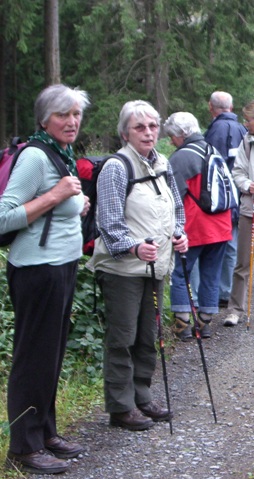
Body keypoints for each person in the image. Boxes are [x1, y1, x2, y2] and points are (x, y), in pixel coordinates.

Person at [0, 84, 90, 475]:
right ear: (44, 119)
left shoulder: (60, 152)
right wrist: (56, 196)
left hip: (61, 265)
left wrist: (76, 203)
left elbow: (59, 204)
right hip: (37, 269)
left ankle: (46, 432)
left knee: (51, 353)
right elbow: (3, 216)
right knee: (33, 356)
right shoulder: (36, 156)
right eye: (62, 115)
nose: (71, 121)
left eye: (76, 114)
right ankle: (24, 446)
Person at [88, 100, 188, 431]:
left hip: (155, 265)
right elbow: (108, 221)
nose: (148, 133)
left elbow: (176, 207)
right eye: (140, 127)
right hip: (122, 270)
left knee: (148, 334)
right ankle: (121, 406)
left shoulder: (162, 163)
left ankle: (142, 396)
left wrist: (179, 234)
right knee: (123, 337)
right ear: (125, 133)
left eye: (153, 126)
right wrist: (133, 247)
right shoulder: (117, 167)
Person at [163, 112, 232, 339]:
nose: (171, 141)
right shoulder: (213, 151)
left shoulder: (181, 157)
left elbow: (171, 196)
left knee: (180, 273)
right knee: (211, 274)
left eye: (172, 136)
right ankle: (204, 322)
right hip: (221, 225)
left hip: (195, 226)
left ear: (182, 134)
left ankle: (182, 324)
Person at [223, 100, 254, 326]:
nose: (245, 124)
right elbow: (238, 171)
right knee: (243, 262)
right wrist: (247, 185)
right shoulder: (246, 140)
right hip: (250, 208)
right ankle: (234, 310)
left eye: (248, 120)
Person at [204, 91, 248, 309]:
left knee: (222, 244)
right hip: (240, 194)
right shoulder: (242, 129)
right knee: (232, 243)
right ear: (231, 107)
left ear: (211, 107)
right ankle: (226, 289)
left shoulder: (215, 131)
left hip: (219, 197)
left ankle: (222, 292)